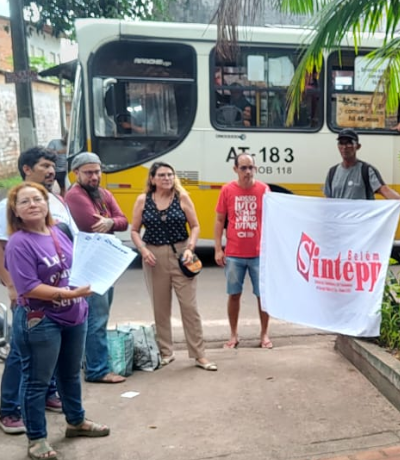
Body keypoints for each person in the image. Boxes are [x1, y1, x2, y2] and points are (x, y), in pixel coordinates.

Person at [5, 182, 110, 460]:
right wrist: (70, 294)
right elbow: (28, 288)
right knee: (37, 381)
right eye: (24, 202)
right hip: (42, 320)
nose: (33, 205)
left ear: (47, 203)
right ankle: (37, 438)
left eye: (37, 199)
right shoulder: (19, 243)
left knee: (70, 373)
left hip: (74, 314)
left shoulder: (58, 231)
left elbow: (75, 267)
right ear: (15, 210)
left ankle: (76, 422)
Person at [0, 146, 78, 435]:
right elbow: (3, 248)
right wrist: (10, 286)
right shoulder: (10, 205)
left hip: (61, 300)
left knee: (51, 357)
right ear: (27, 169)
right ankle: (9, 409)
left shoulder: (55, 198)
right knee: (22, 355)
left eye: (52, 166)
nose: (51, 170)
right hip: (32, 298)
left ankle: (49, 395)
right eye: (44, 165)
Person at [130, 162, 217, 371]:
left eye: (170, 174)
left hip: (181, 254)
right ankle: (166, 352)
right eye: (161, 175)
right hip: (153, 256)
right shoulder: (143, 200)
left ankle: (199, 355)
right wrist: (143, 249)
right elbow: (134, 230)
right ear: (152, 179)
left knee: (189, 307)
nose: (167, 178)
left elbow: (195, 225)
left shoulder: (182, 197)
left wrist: (190, 247)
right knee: (160, 307)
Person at [65, 152, 129, 384]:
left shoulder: (103, 193)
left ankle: (92, 364)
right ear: (76, 174)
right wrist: (110, 220)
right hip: (91, 267)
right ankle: (97, 370)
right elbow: (93, 224)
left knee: (97, 317)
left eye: (97, 171)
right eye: (89, 172)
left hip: (105, 264)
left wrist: (111, 221)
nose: (94, 177)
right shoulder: (75, 196)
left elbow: (123, 221)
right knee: (96, 319)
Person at [214, 153, 272, 349]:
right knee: (234, 295)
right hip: (234, 253)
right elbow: (220, 220)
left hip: (258, 253)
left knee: (262, 296)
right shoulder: (227, 190)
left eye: (251, 168)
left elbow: (272, 220)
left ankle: (264, 334)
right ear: (235, 169)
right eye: (243, 168)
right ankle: (233, 335)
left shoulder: (264, 190)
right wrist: (218, 249)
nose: (247, 172)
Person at [324, 128, 400, 207]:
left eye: (349, 143)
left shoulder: (366, 170)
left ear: (358, 146)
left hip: (360, 222)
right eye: (341, 143)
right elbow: (328, 201)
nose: (344, 147)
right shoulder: (332, 172)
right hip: (339, 222)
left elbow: (384, 190)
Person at [47, 130, 68, 196]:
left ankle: (62, 202)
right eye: (66, 138)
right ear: (64, 137)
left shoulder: (72, 144)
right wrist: (60, 152)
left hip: (64, 170)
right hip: (53, 169)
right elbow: (48, 153)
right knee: (48, 188)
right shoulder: (54, 142)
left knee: (63, 188)